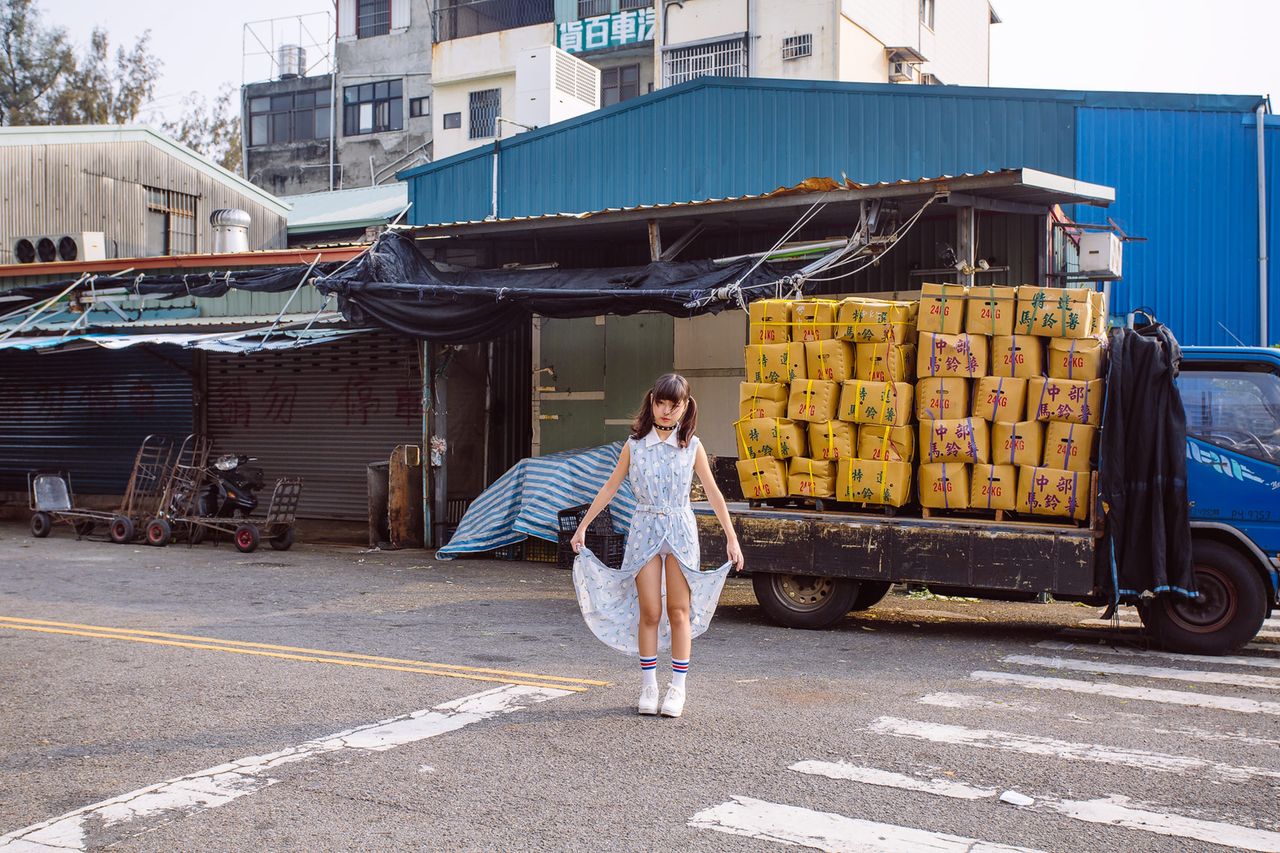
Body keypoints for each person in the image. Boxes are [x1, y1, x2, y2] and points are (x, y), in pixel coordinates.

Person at [570, 373, 745, 718]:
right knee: (649, 611)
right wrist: (583, 527)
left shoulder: (692, 446)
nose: (666, 411)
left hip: (680, 529)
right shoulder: (634, 446)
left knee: (679, 611)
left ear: (685, 407)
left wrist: (731, 537)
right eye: (660, 403)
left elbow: (713, 492)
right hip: (644, 529)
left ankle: (677, 689)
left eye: (673, 404)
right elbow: (609, 487)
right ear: (651, 403)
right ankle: (648, 685)